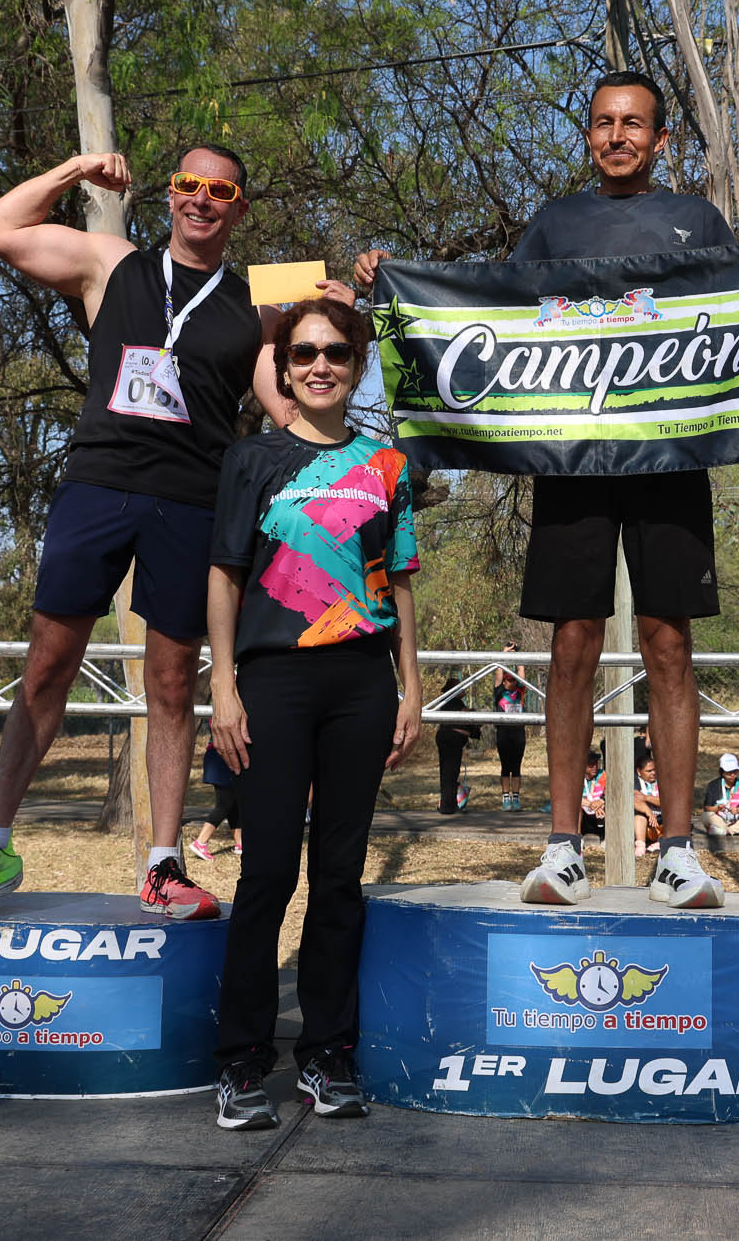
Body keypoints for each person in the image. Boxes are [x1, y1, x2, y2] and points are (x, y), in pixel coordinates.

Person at [356, 69, 739, 909]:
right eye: (604, 123)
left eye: (634, 123)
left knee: (669, 645)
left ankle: (677, 852)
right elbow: (491, 312)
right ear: (588, 135)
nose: (618, 136)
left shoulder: (697, 219)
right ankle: (561, 850)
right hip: (570, 462)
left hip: (670, 462)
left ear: (660, 138)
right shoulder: (555, 221)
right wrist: (392, 283)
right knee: (571, 643)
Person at [0, 147, 352, 923]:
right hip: (97, 486)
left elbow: (294, 403)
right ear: (169, 193)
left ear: (239, 207)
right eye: (188, 184)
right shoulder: (111, 261)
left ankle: (163, 863)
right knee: (47, 666)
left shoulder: (261, 298)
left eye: (219, 189)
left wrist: (355, 312)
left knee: (171, 682)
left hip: (191, 500)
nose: (201, 199)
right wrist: (74, 170)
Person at [205, 298, 421, 1129]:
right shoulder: (252, 458)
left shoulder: (387, 464)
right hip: (273, 682)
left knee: (340, 877)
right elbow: (224, 574)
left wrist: (411, 685)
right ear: (285, 369)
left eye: (335, 351)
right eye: (303, 353)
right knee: (267, 873)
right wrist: (224, 685)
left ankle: (328, 1053)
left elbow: (399, 580)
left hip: (362, 683)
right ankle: (240, 1061)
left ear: (357, 365)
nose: (320, 364)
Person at [432, 675, 481, 814]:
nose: (463, 688)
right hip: (450, 740)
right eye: (460, 686)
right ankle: (447, 805)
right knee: (449, 772)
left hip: (453, 740)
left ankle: (450, 803)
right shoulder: (450, 701)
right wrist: (473, 714)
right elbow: (466, 715)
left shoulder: (454, 702)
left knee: (451, 772)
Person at [189, 745, 241, 858]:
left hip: (223, 757)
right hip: (222, 757)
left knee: (232, 803)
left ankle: (239, 844)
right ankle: (200, 842)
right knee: (225, 804)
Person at [492, 653, 527, 811]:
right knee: (506, 766)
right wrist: (504, 653)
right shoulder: (499, 692)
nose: (512, 682)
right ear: (504, 681)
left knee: (517, 767)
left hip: (518, 732)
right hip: (503, 733)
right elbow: (498, 673)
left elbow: (521, 671)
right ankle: (506, 798)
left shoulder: (520, 691)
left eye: (514, 680)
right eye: (509, 680)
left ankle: (516, 798)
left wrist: (518, 655)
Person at [631, 755, 663, 855]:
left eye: (654, 770)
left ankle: (661, 842)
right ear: (639, 772)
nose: (653, 773)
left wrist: (646, 798)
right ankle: (640, 845)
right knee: (639, 816)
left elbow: (667, 801)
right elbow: (634, 799)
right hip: (645, 822)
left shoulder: (662, 781)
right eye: (649, 771)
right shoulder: (635, 781)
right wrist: (648, 812)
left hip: (661, 821)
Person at [579, 750, 608, 838]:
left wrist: (602, 801)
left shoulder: (603, 774)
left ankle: (606, 835)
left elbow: (610, 791)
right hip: (584, 812)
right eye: (591, 765)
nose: (594, 767)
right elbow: (573, 798)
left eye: (596, 763)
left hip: (601, 811)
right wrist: (590, 804)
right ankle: (577, 835)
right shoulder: (577, 777)